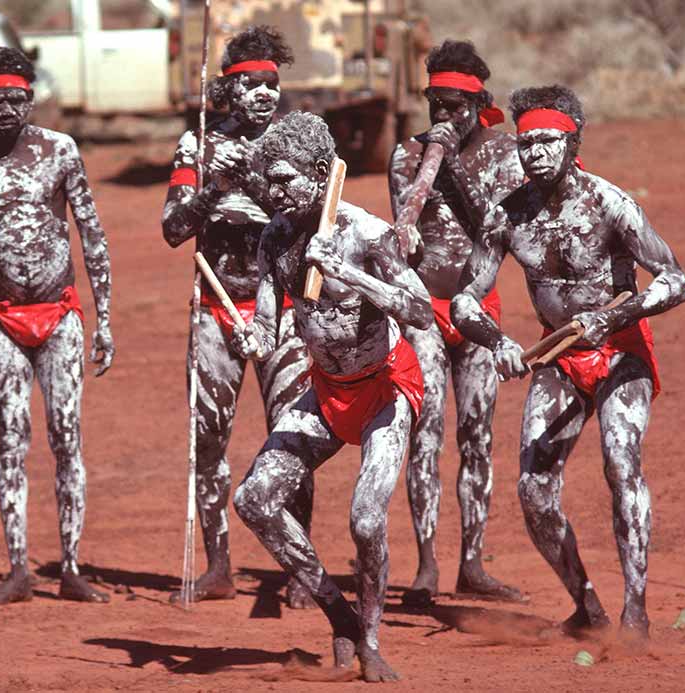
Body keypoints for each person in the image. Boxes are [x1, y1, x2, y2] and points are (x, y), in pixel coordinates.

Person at [450, 85, 685, 642]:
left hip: (620, 351)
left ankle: (635, 611)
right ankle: (587, 607)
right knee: (534, 492)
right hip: (556, 359)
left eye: (547, 142)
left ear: (572, 140)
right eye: (526, 143)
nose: (534, 153)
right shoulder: (506, 215)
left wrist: (610, 319)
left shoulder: (612, 204)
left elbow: (676, 280)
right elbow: (465, 298)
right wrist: (497, 340)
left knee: (620, 461)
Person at [231, 112, 432, 682]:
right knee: (254, 500)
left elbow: (418, 311)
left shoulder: (366, 233)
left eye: (285, 180)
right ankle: (338, 614)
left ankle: (369, 639)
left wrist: (350, 273)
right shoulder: (275, 235)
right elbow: (269, 326)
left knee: (366, 520)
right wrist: (253, 339)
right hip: (324, 390)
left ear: (321, 174)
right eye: (268, 181)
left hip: (387, 389)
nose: (274, 193)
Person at [0, 47, 114, 605]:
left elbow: (92, 234)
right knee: (12, 438)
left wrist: (104, 319)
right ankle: (17, 568)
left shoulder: (61, 151)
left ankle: (71, 565)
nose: (6, 108)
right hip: (1, 320)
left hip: (60, 316)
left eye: (15, 98)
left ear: (32, 99)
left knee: (68, 437)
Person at [160, 25, 314, 607]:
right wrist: (212, 192)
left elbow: (320, 222)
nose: (263, 94)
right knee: (208, 440)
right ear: (229, 90)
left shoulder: (301, 143)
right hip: (216, 307)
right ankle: (219, 567)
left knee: (295, 437)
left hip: (288, 312)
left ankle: (301, 569)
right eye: (250, 84)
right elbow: (174, 229)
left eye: (271, 83)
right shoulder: (198, 145)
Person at [388, 39, 523, 604]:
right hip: (424, 310)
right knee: (425, 437)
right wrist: (420, 185)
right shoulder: (404, 157)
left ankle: (472, 562)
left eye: (453, 106)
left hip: (478, 312)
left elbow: (498, 229)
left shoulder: (504, 153)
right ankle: (426, 566)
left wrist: (449, 166)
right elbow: (401, 232)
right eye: (433, 104)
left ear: (477, 103)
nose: (442, 117)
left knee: (478, 437)